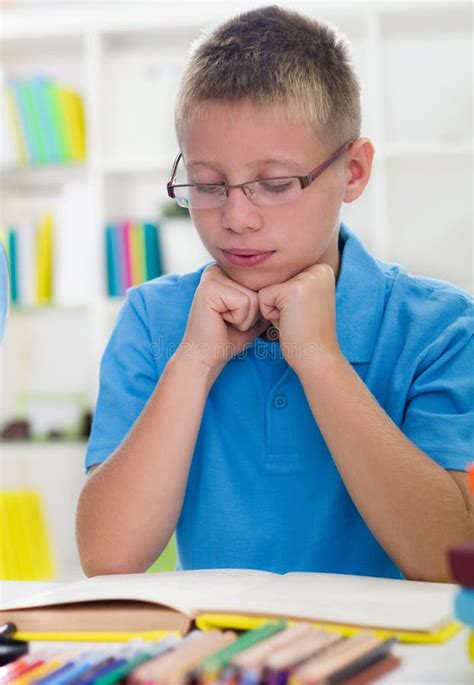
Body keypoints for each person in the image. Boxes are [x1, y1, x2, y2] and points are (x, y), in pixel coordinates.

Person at [76, 5, 473, 581]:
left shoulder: (442, 328)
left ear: (354, 171)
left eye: (276, 184)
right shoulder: (153, 319)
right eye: (208, 185)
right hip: (219, 662)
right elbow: (109, 559)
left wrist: (321, 360)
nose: (237, 218)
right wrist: (193, 362)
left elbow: (448, 561)